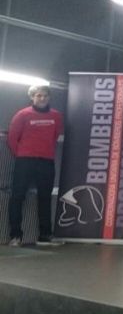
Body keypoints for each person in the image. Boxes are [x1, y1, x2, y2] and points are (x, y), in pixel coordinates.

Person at [6, 85, 63, 246]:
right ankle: (15, 236)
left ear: (49, 97)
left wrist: (43, 152)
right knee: (18, 197)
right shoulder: (22, 114)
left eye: (45, 95)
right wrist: (23, 154)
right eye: (39, 95)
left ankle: (45, 235)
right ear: (32, 97)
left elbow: (55, 135)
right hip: (25, 161)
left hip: (46, 161)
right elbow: (12, 138)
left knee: (45, 198)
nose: (42, 98)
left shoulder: (56, 116)